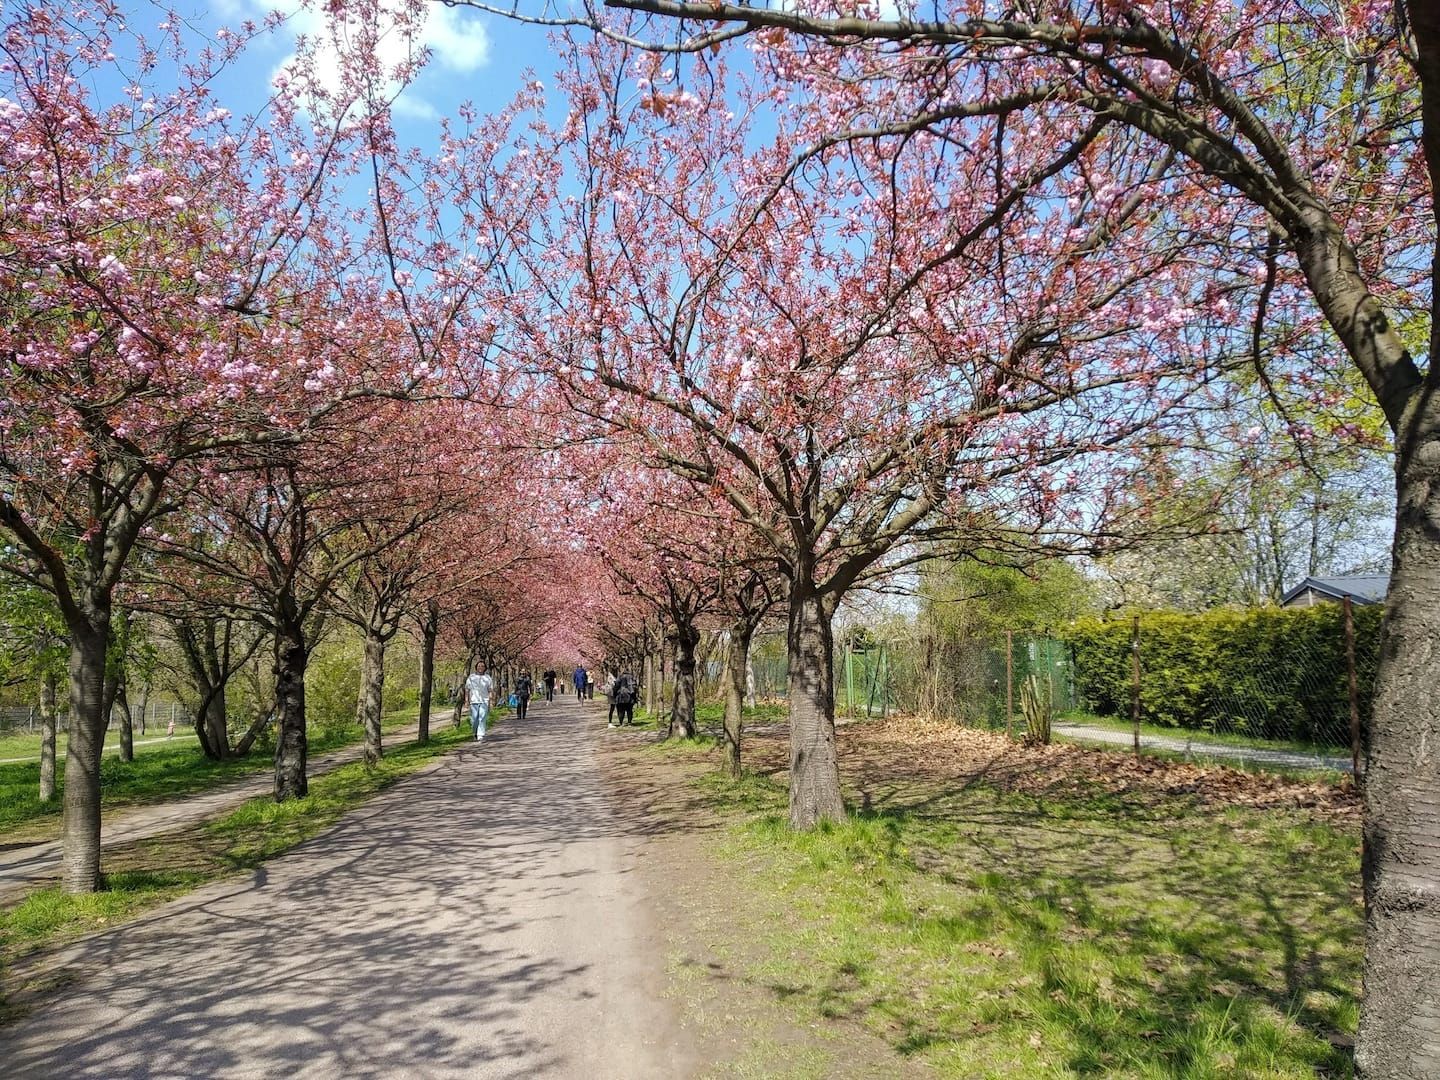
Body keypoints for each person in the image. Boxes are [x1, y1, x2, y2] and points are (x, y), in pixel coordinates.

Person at [464, 663, 494, 743]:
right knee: (474, 719)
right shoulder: (471, 677)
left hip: (484, 701)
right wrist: (466, 700)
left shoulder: (487, 678)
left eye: (482, 666)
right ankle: (474, 732)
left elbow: (490, 690)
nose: (480, 667)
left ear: (485, 668)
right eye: (479, 666)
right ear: (476, 667)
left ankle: (480, 735)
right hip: (474, 701)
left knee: (482, 718)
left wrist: (491, 701)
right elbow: (467, 690)